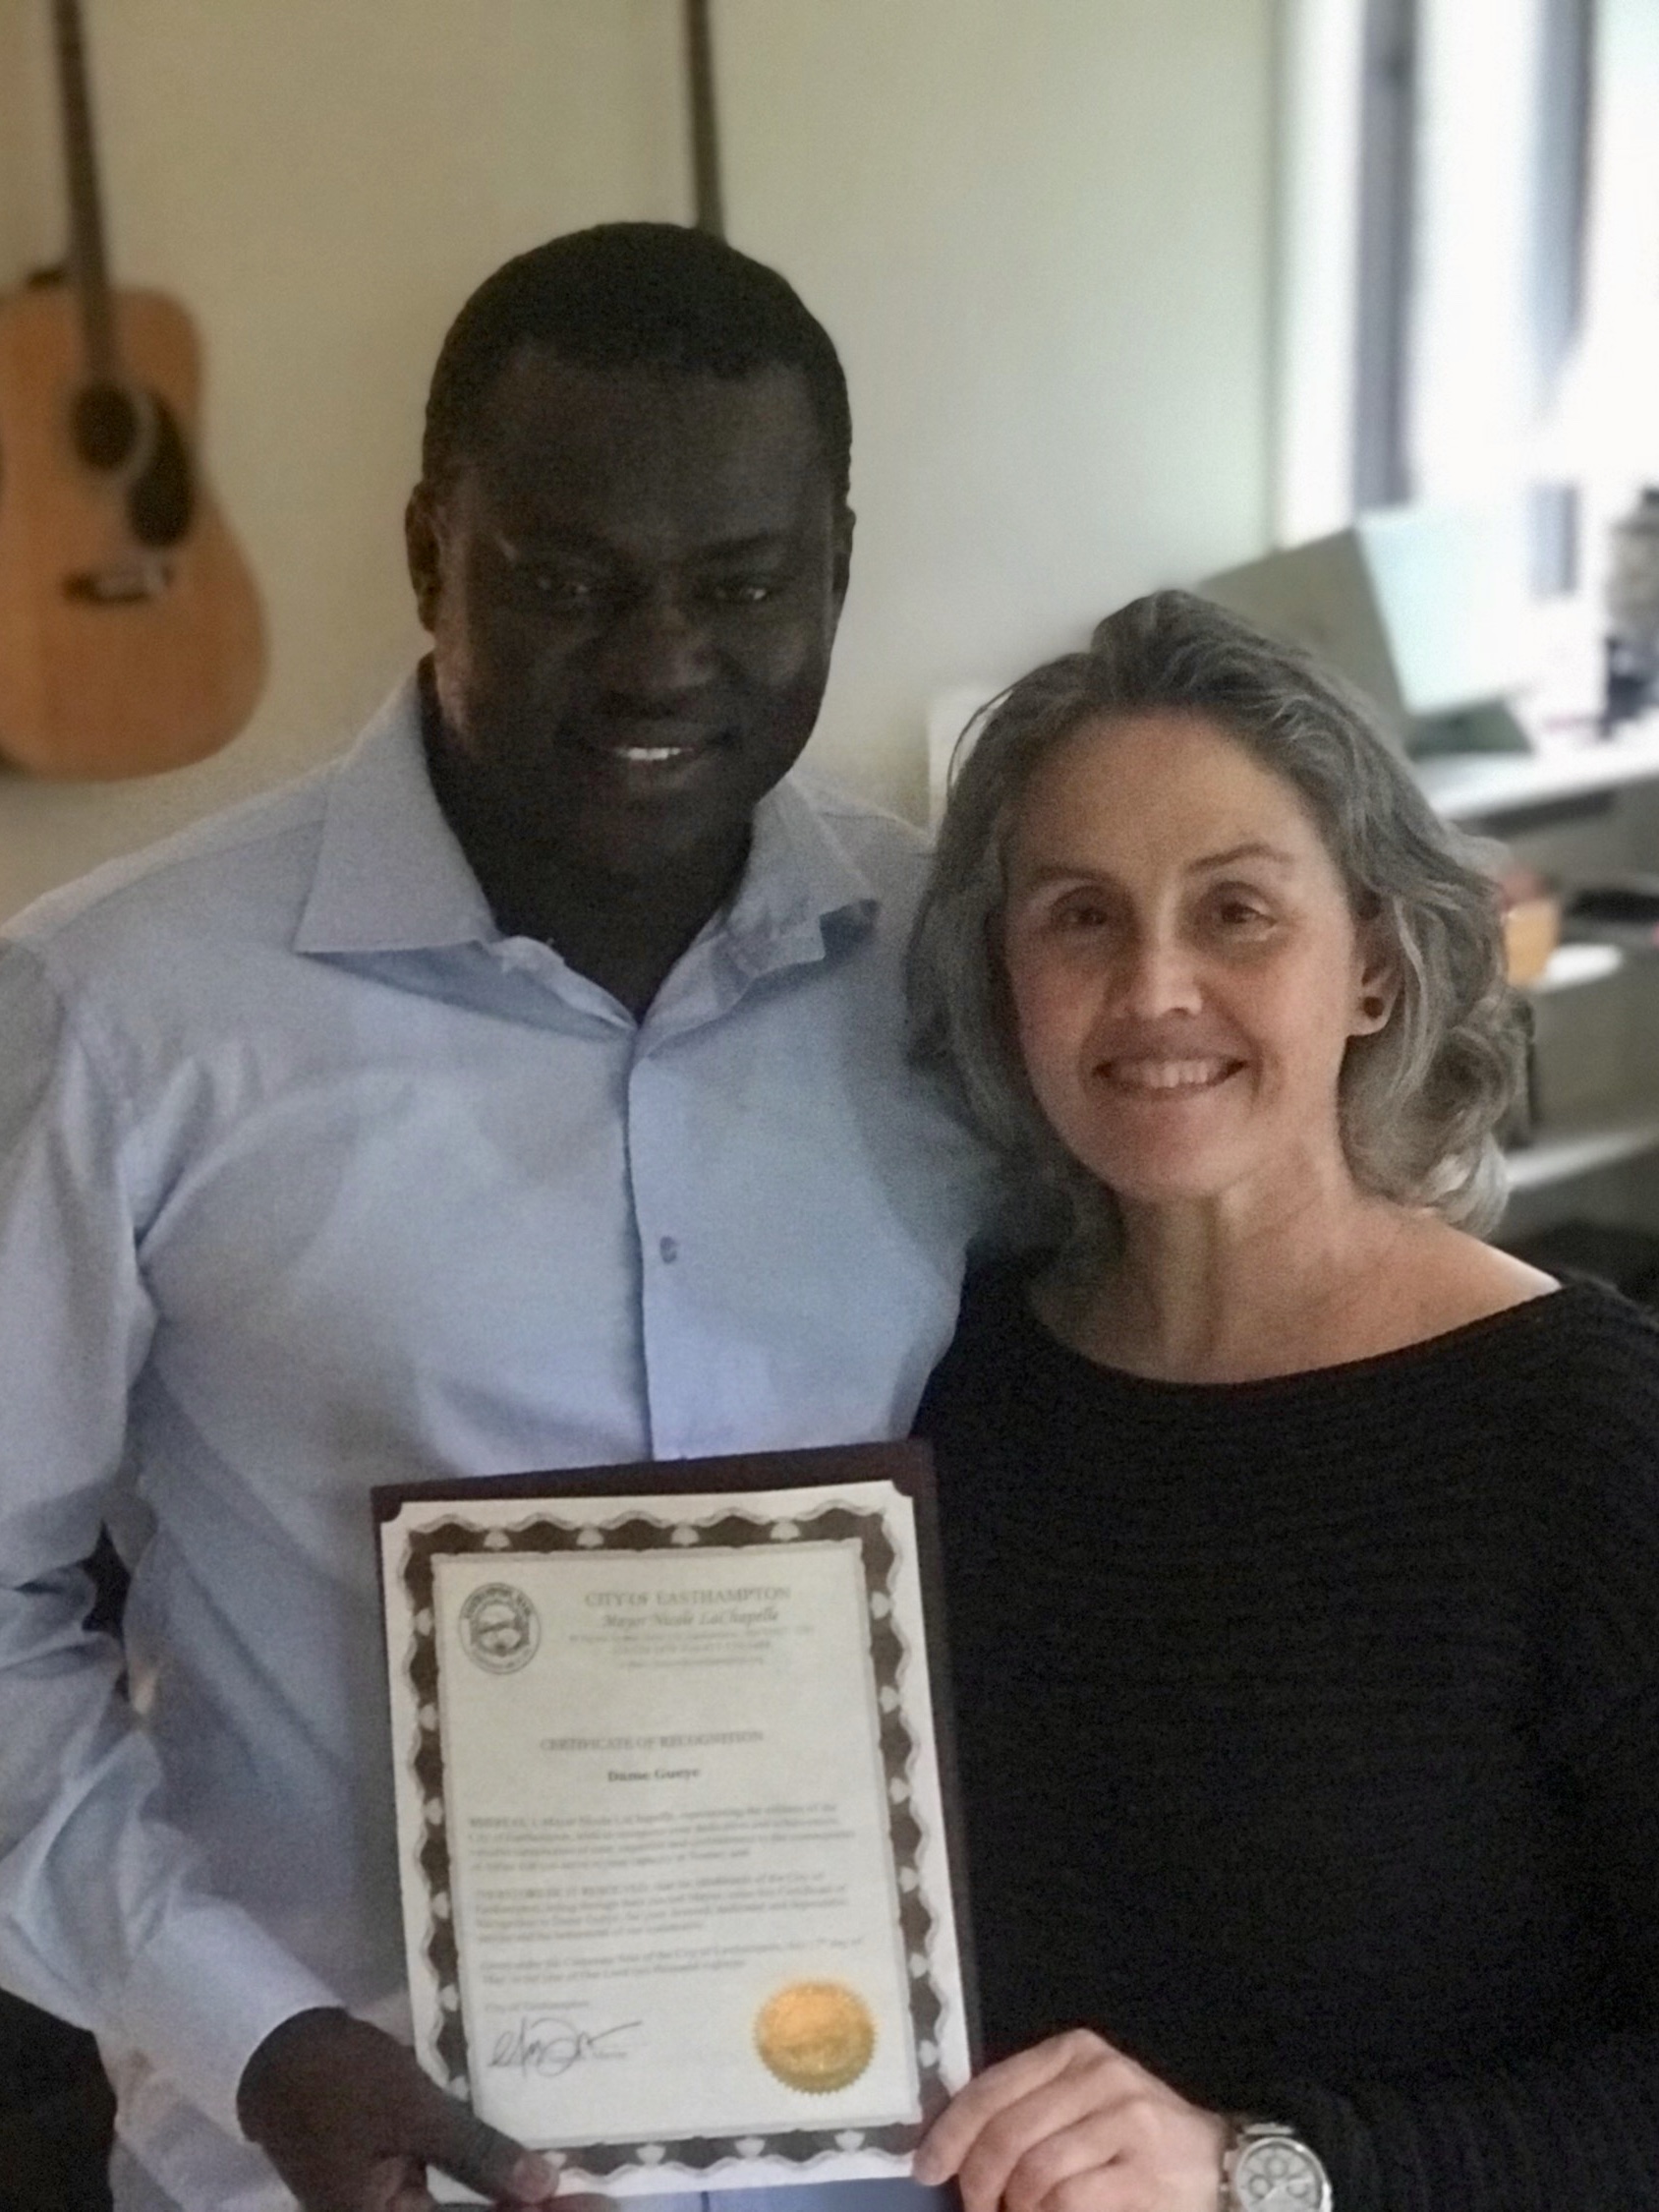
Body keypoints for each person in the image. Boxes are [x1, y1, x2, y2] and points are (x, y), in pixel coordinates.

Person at [0, 224, 990, 2212]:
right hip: (325, 2165)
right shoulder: (115, 1010)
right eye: (563, 581)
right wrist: (247, 2034)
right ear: (425, 550)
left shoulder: (958, 970)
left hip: (897, 2163)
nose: (659, 660)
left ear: (839, 567)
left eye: (743, 584)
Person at [905, 590, 1659, 2212]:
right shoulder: (952, 1398)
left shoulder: (1583, 1430)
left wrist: (1268, 2168)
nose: (1155, 986)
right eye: (1080, 916)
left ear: (1374, 965)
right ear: (1004, 975)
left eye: (1236, 911)